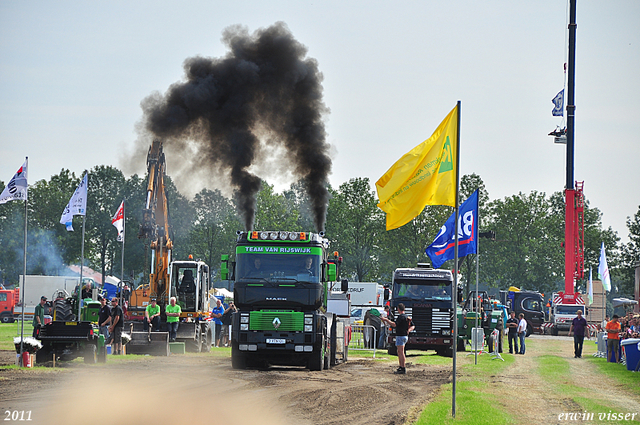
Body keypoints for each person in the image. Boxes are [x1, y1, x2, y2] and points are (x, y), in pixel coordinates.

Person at [381, 303, 414, 374]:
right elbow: (413, 326)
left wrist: (386, 320)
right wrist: (409, 330)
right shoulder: (407, 317)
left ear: (398, 309)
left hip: (400, 336)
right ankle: (401, 367)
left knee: (400, 352)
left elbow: (394, 324)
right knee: (401, 352)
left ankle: (402, 367)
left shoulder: (401, 317)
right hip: (405, 336)